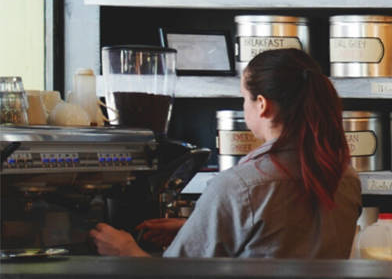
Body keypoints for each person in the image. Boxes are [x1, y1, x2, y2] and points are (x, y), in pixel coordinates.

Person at [91, 48, 362, 259]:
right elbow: (285, 239)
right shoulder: (345, 177)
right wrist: (195, 228)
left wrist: (125, 251)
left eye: (244, 97)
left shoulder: (238, 187)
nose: (244, 106)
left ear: (262, 105)